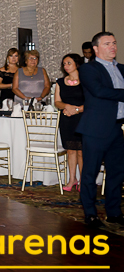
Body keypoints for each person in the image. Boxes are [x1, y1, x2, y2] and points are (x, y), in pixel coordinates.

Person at [77, 32, 124, 228]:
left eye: (114, 43)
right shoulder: (88, 69)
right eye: (107, 44)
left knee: (117, 173)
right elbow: (99, 91)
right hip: (95, 129)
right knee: (90, 172)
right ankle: (90, 214)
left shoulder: (121, 68)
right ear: (95, 49)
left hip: (117, 127)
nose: (112, 47)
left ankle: (114, 213)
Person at [55, 53, 85, 192]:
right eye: (64, 64)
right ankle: (72, 179)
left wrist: (77, 110)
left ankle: (83, 180)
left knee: (81, 152)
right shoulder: (60, 82)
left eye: (69, 63)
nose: (66, 66)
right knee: (71, 151)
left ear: (77, 64)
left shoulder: (85, 81)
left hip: (83, 118)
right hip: (67, 118)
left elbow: (91, 101)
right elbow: (57, 102)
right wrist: (67, 107)